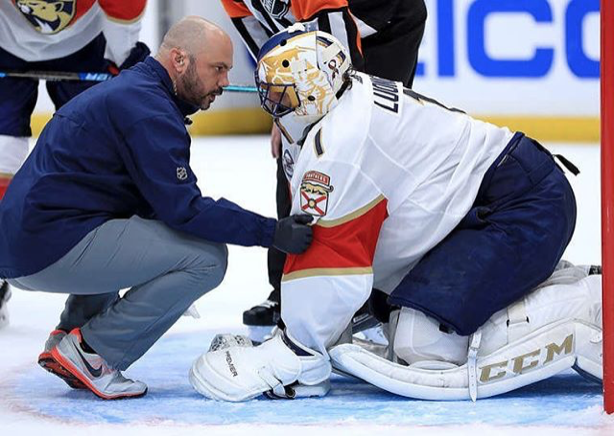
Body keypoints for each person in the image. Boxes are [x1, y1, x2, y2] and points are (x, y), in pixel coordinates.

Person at [189, 26, 603, 402]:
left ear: (313, 89)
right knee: (400, 319)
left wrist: (297, 349)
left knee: (423, 343)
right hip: (491, 201)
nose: (273, 108)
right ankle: (550, 284)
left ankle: (593, 303)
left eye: (281, 95)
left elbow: (331, 258)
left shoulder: (340, 143)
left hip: (521, 207)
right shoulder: (340, 103)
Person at [0, 17, 313, 400]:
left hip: (29, 242)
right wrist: (273, 233)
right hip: (45, 247)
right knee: (205, 259)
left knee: (129, 223)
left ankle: (72, 333)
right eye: (218, 69)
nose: (225, 83)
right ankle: (93, 352)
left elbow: (150, 207)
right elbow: (186, 211)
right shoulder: (148, 109)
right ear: (180, 60)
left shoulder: (133, 92)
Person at [220, 0, 427, 331]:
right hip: (321, 33)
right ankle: (285, 288)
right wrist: (283, 110)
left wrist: (328, 114)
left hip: (386, 24)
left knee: (359, 152)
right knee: (295, 150)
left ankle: (370, 292)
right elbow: (270, 48)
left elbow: (340, 59)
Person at [0, 0, 151, 328]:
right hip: (4, 39)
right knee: (1, 154)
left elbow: (125, 12)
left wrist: (126, 59)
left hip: (86, 41)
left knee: (98, 159)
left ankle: (97, 289)